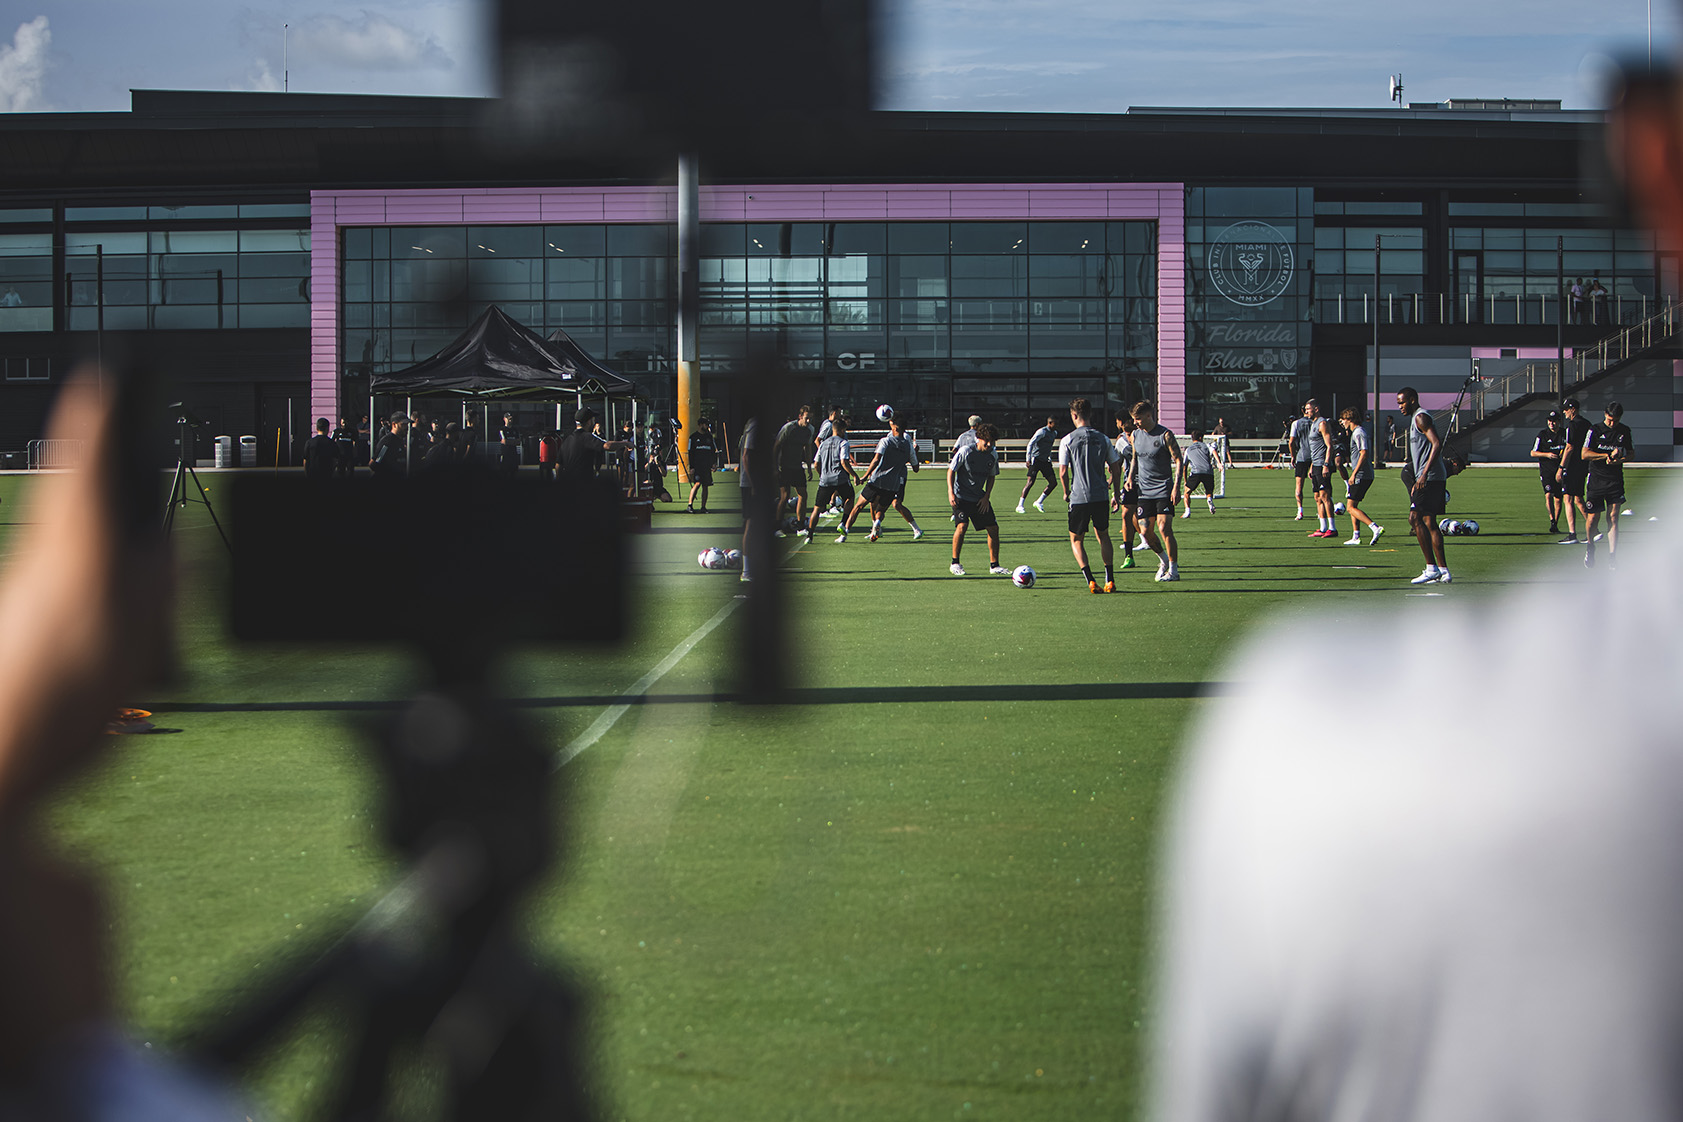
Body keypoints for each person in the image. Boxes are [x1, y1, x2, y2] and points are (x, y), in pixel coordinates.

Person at [1058, 397, 1122, 593]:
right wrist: (1116, 494)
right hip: (1101, 495)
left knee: (1076, 539)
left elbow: (1062, 471)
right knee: (1103, 535)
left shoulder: (1067, 439)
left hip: (1079, 497)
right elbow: (1116, 467)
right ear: (1090, 414)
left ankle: (1090, 580)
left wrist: (1066, 492)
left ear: (1074, 416)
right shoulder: (1103, 438)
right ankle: (1109, 579)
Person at [1397, 385, 1451, 585]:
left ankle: (1431, 568)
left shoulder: (1420, 417)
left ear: (1412, 400)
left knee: (1415, 518)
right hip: (1430, 477)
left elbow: (1437, 443)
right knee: (1429, 522)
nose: (1400, 407)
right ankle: (1444, 571)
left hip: (1430, 478)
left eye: (1402, 402)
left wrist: (1423, 474)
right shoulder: (1415, 419)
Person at [840, 416, 924, 543]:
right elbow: (916, 468)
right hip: (893, 484)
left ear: (895, 427)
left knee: (858, 506)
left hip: (877, 480)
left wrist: (865, 475)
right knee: (880, 509)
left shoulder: (885, 441)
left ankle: (844, 533)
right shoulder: (908, 445)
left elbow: (876, 459)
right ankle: (877, 523)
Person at [1126, 401, 1182, 582]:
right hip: (1144, 491)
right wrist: (1129, 478)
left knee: (1164, 527)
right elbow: (1135, 458)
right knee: (1144, 530)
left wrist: (1176, 487)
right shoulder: (1135, 435)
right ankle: (1163, 560)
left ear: (1149, 416)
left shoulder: (1165, 435)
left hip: (1164, 489)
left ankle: (1174, 570)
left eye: (1138, 419)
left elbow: (1179, 460)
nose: (1136, 423)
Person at [1580, 401, 1634, 570]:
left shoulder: (1624, 431)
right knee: (1593, 518)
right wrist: (1606, 456)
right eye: (1610, 420)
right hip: (1596, 480)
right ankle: (1590, 546)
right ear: (1605, 414)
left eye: (1616, 421)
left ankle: (1612, 557)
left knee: (1613, 517)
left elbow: (1631, 454)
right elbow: (1584, 454)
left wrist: (1620, 459)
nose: (1612, 423)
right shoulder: (1594, 430)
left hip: (1615, 480)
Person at [947, 422, 1004, 576]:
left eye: (993, 441)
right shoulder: (966, 451)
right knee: (962, 526)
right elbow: (951, 471)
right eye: (987, 441)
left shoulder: (992, 454)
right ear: (978, 438)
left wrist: (986, 497)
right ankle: (955, 563)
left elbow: (992, 476)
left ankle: (994, 566)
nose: (990, 444)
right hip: (961, 497)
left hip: (979, 498)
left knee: (993, 529)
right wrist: (951, 492)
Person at [805, 415, 860, 543]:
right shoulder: (843, 442)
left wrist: (822, 474)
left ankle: (809, 535)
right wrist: (855, 476)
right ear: (841, 430)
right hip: (840, 478)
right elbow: (844, 462)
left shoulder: (823, 443)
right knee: (850, 497)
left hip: (825, 480)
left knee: (817, 508)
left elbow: (816, 463)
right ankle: (843, 522)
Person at [1338, 407, 1382, 545]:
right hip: (1361, 474)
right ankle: (1356, 536)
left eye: (1344, 419)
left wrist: (1354, 473)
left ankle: (1375, 527)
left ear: (1350, 419)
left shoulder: (1359, 432)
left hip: (1362, 475)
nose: (1342, 422)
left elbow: (1364, 453)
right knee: (1352, 504)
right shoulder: (1355, 432)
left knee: (1350, 507)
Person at [772, 406, 816, 530]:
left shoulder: (810, 430)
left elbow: (807, 448)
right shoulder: (788, 428)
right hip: (784, 467)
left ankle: (800, 524)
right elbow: (776, 446)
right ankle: (777, 526)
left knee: (803, 494)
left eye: (810, 419)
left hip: (797, 467)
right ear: (800, 417)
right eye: (806, 418)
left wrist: (808, 467)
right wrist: (775, 467)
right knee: (784, 496)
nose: (808, 422)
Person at [1557, 398, 1592, 544]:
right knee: (1578, 498)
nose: (1564, 412)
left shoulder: (1572, 425)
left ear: (1573, 409)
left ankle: (1572, 534)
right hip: (1584, 464)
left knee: (1568, 498)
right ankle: (1593, 530)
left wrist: (1561, 467)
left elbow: (1569, 447)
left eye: (1566, 409)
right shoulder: (1587, 424)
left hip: (1572, 466)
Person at [1303, 400, 1339, 538]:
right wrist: (1312, 465)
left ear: (1316, 409)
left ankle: (1332, 528)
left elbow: (1329, 446)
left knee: (1325, 496)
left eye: (1308, 409)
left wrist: (1326, 464)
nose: (1306, 411)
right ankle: (1322, 527)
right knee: (1317, 497)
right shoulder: (1313, 424)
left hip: (1323, 464)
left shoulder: (1322, 423)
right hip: (1316, 464)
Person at [1530, 410, 1568, 534]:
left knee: (1558, 497)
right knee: (1548, 494)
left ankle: (1555, 523)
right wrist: (1547, 454)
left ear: (1559, 422)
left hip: (1560, 470)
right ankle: (1551, 519)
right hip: (1547, 470)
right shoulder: (1542, 434)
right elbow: (1533, 452)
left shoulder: (1565, 433)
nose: (1551, 423)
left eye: (1554, 421)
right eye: (1549, 421)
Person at [1113, 414, 1142, 569]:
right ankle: (1129, 556)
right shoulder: (1121, 441)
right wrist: (1114, 488)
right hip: (1129, 484)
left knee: (1148, 522)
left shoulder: (1144, 436)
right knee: (1126, 515)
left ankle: (1149, 541)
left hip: (1148, 482)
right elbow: (1116, 465)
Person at [1017, 415, 1059, 514]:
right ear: (1050, 423)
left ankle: (1039, 502)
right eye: (1055, 423)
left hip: (1045, 461)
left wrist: (1049, 458)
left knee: (1053, 482)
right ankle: (1020, 505)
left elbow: (1048, 447)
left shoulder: (1054, 433)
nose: (1057, 426)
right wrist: (1028, 458)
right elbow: (1031, 443)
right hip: (1035, 460)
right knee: (1030, 482)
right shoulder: (1042, 432)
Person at [558, 407, 609, 484]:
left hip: (568, 484)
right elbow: (607, 446)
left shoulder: (567, 439)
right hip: (583, 484)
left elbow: (558, 465)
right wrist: (625, 443)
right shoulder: (586, 437)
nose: (594, 422)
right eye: (593, 420)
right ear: (589, 422)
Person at [1179, 428, 1217, 518]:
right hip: (1208, 472)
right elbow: (1214, 451)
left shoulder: (1188, 450)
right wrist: (1219, 463)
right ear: (1201, 437)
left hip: (1196, 473)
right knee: (1209, 491)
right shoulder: (1207, 445)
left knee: (1187, 493)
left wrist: (1185, 481)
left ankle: (1187, 511)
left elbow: (1184, 466)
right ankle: (1209, 500)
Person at [1288, 403, 1313, 520]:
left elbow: (1291, 442)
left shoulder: (1296, 423)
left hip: (1302, 456)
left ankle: (1300, 511)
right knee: (1317, 486)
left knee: (1299, 486)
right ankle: (1320, 511)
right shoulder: (1316, 422)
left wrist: (1293, 456)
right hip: (1315, 456)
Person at [687, 418, 716, 513]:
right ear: (700, 425)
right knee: (697, 483)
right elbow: (690, 453)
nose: (707, 426)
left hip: (706, 466)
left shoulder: (709, 437)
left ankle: (703, 507)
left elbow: (713, 451)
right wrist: (691, 467)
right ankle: (690, 505)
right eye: (705, 424)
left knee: (705, 485)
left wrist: (714, 463)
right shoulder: (693, 437)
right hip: (697, 466)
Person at [370, 411, 408, 477]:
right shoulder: (387, 441)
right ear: (394, 425)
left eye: (407, 424)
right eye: (403, 424)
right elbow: (374, 464)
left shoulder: (401, 440)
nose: (406, 427)